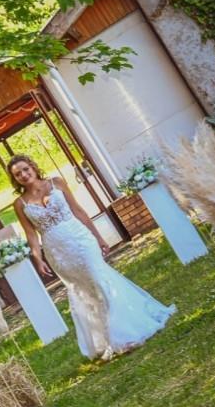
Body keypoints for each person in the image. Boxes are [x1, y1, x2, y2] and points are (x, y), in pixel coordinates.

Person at [10, 154, 175, 360]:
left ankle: (125, 333)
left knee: (100, 279)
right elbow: (31, 234)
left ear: (33, 166)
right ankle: (105, 338)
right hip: (57, 252)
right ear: (15, 179)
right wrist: (38, 258)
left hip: (80, 239)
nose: (24, 175)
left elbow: (78, 210)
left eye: (26, 169)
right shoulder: (20, 204)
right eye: (18, 174)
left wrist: (98, 237)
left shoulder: (57, 182)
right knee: (86, 291)